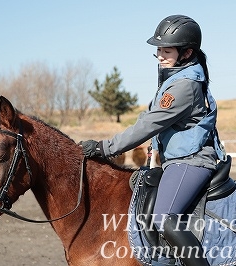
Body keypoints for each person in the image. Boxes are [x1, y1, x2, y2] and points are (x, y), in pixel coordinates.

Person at [80, 15, 226, 265]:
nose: (159, 55)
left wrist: (105, 148)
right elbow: (149, 118)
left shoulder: (184, 86)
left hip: (190, 161)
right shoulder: (174, 79)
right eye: (158, 49)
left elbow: (148, 125)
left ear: (187, 52)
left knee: (163, 217)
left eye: (166, 50)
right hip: (174, 160)